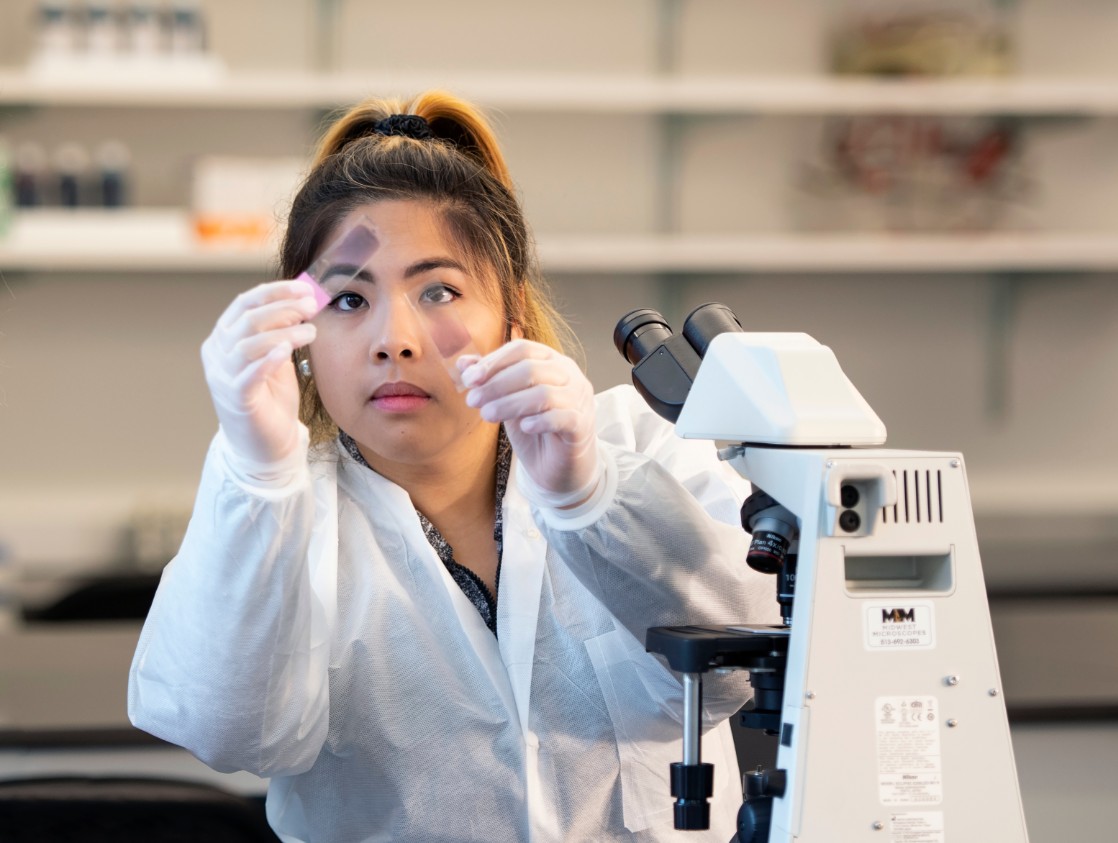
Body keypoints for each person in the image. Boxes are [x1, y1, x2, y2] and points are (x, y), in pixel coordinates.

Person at [127, 91, 777, 843]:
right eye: (346, 298)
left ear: (513, 316)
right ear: (299, 338)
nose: (393, 339)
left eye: (438, 289)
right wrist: (256, 471)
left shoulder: (633, 446)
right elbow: (228, 732)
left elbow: (744, 667)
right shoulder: (281, 513)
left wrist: (588, 497)